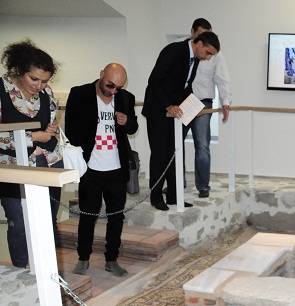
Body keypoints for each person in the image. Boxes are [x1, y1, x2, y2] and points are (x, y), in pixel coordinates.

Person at [65, 63, 138, 277]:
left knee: (116, 217)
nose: (113, 91)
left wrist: (127, 122)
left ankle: (111, 259)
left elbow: (133, 127)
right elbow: (71, 129)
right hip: (90, 169)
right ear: (101, 75)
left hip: (116, 169)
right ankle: (83, 258)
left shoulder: (125, 98)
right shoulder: (79, 94)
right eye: (110, 85)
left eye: (118, 88)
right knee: (87, 216)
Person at [0, 40, 63, 268]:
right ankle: (21, 271)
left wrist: (51, 129)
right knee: (19, 223)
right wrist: (33, 137)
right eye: (34, 79)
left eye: (44, 80)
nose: (39, 85)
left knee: (48, 220)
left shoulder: (46, 92)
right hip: (12, 166)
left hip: (48, 161)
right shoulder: (1, 90)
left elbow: (51, 120)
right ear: (19, 70)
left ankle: (48, 272)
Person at [143, 30, 221, 211]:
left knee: (174, 154)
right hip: (158, 111)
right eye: (208, 53)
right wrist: (167, 105)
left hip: (175, 112)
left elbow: (185, 85)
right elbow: (154, 81)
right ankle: (156, 197)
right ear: (199, 44)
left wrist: (194, 105)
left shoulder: (195, 58)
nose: (208, 57)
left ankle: (174, 196)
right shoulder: (173, 51)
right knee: (160, 155)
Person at [187, 18, 232, 199]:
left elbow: (222, 79)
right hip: (182, 101)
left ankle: (203, 186)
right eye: (201, 34)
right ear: (193, 33)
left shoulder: (216, 54)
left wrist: (225, 102)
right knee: (175, 145)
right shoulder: (182, 49)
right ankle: (175, 183)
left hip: (203, 103)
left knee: (202, 146)